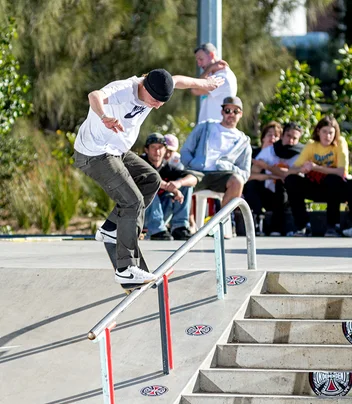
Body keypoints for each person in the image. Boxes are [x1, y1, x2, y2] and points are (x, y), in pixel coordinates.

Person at [73, 68, 223, 285]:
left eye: (162, 102)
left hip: (117, 151)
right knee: (132, 201)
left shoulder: (154, 87)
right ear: (143, 87)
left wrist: (203, 83)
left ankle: (110, 229)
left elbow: (179, 80)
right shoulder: (123, 89)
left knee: (151, 179)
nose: (157, 105)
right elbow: (94, 96)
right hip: (94, 154)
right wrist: (104, 116)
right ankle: (126, 267)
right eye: (154, 100)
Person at [180, 96, 252, 220]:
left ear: (241, 114)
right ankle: (187, 224)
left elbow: (245, 173)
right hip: (198, 172)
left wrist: (227, 167)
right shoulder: (205, 127)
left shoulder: (243, 141)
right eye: (227, 110)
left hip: (222, 176)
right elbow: (186, 151)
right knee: (185, 180)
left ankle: (220, 221)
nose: (231, 114)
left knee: (238, 181)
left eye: (235, 111)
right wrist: (192, 163)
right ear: (222, 112)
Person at [283, 115, 350, 237]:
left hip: (336, 190)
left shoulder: (340, 143)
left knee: (333, 179)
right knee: (291, 180)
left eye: (331, 133)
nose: (328, 136)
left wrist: (315, 167)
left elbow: (341, 172)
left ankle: (332, 225)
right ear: (318, 131)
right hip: (316, 187)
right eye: (324, 132)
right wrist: (302, 169)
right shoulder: (311, 145)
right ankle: (302, 226)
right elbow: (291, 170)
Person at [244, 122, 303, 235]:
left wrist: (267, 167)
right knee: (253, 185)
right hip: (267, 193)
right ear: (282, 136)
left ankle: (277, 228)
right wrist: (270, 175)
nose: (290, 141)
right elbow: (250, 175)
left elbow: (287, 175)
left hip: (287, 196)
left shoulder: (300, 154)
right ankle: (257, 220)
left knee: (282, 184)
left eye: (294, 138)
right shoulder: (269, 151)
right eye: (288, 136)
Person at [141, 132, 197, 240]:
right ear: (146, 150)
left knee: (185, 184)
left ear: (165, 150)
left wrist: (178, 184)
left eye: (160, 147)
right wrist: (170, 188)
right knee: (149, 185)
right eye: (153, 147)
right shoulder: (140, 163)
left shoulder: (167, 167)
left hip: (162, 213)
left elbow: (193, 178)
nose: (157, 151)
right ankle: (156, 230)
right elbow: (150, 179)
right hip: (140, 214)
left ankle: (179, 227)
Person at [192, 43, 238, 123]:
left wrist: (209, 69)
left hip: (216, 129)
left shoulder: (223, 76)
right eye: (197, 61)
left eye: (201, 59)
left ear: (212, 55)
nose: (199, 64)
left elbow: (195, 89)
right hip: (208, 128)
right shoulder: (212, 75)